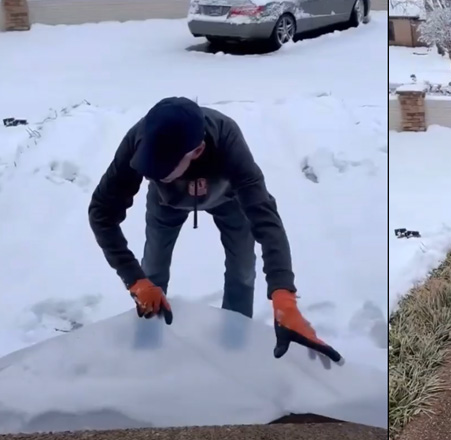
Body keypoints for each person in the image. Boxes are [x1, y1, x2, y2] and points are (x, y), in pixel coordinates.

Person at [88, 96, 341, 363]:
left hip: (230, 200)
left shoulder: (228, 141)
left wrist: (283, 295)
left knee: (242, 269)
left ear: (197, 151)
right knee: (152, 269)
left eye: (161, 167)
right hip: (166, 203)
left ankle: (235, 345)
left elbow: (265, 217)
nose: (152, 173)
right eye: (149, 166)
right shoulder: (139, 139)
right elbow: (101, 213)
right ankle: (148, 345)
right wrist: (135, 279)